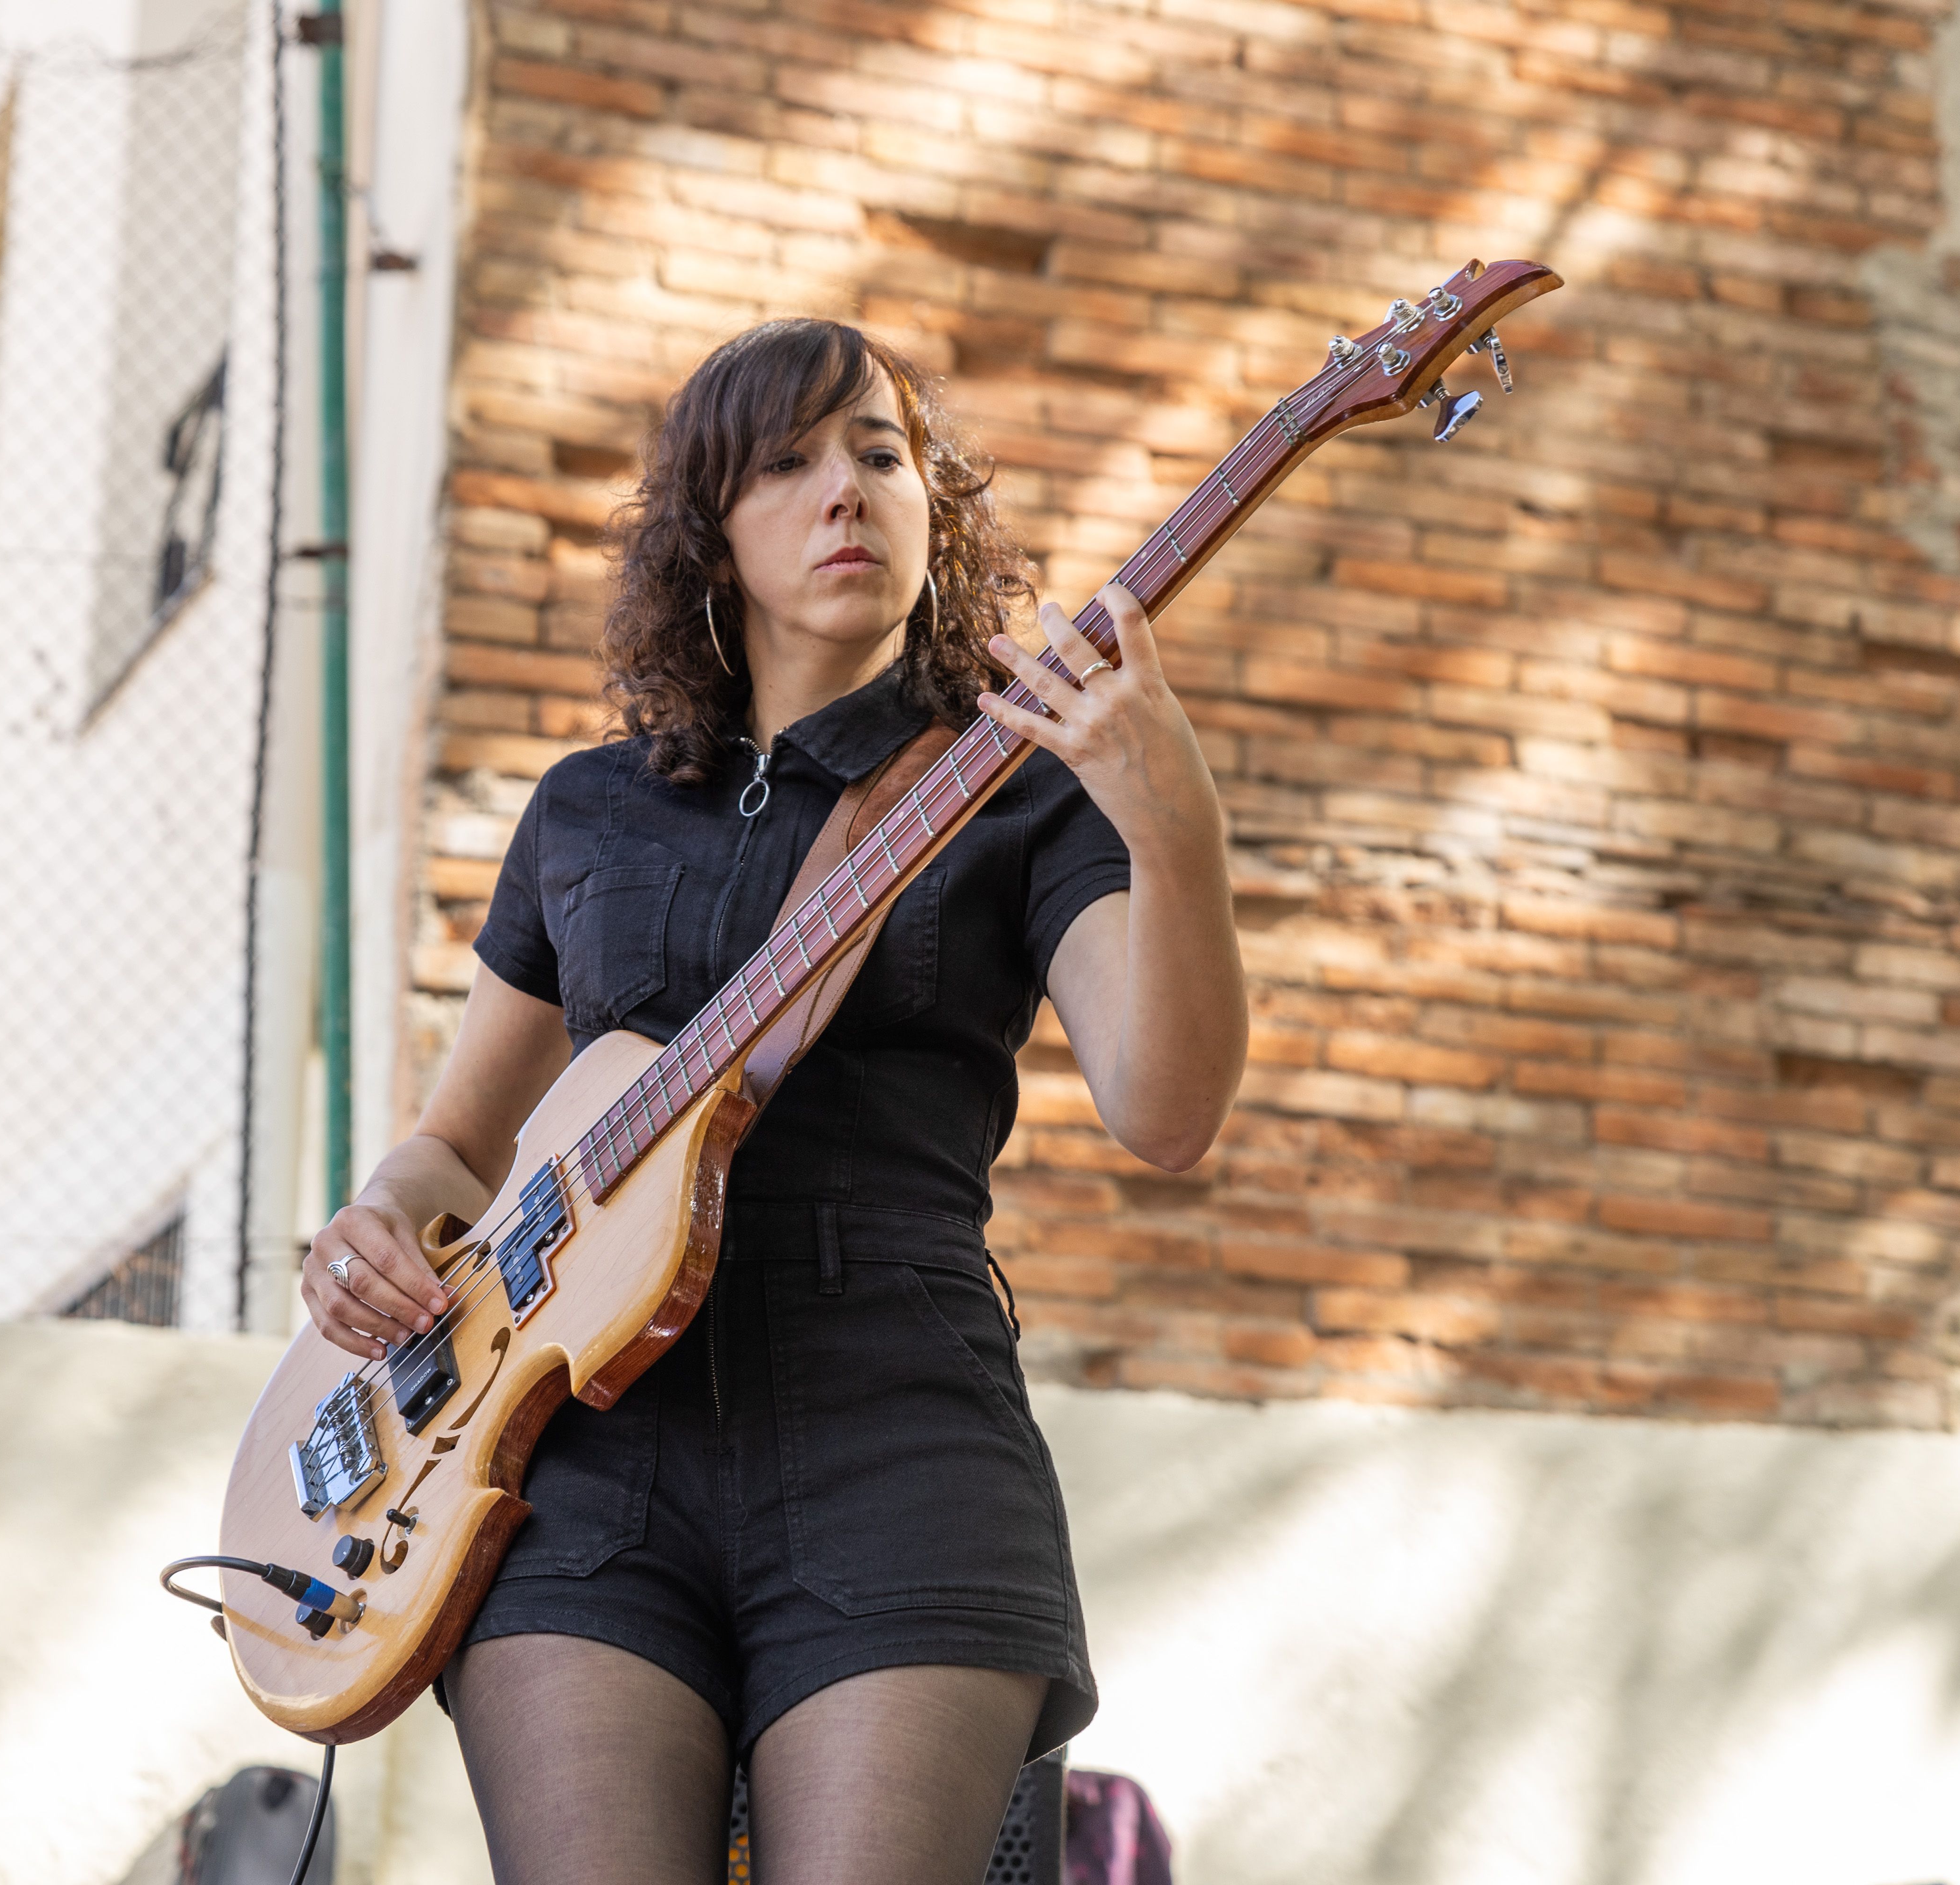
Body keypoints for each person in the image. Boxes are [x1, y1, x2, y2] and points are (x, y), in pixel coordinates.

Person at [298, 320, 1248, 1885]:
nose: (847, 493)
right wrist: (375, 1228)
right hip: (576, 1469)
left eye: (882, 455)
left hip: (902, 1432)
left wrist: (1179, 833)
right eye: (790, 463)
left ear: (934, 510)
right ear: (710, 533)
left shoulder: (1021, 785)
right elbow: (457, 1145)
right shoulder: (588, 810)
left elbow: (1167, 1109)